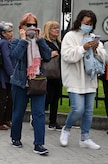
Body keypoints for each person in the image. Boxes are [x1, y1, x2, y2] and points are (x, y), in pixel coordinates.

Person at [60, 10, 106, 150]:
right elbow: (67, 56)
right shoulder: (70, 36)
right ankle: (66, 129)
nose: (88, 25)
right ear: (79, 21)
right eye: (86, 23)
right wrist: (82, 48)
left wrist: (97, 50)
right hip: (75, 79)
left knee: (88, 111)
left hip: (89, 79)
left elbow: (105, 58)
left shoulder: (93, 37)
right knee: (78, 108)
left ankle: (85, 138)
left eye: (91, 23)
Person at [10, 13, 54, 155]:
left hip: (38, 81)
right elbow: (15, 56)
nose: (32, 27)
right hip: (20, 83)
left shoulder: (40, 42)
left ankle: (39, 144)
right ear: (21, 27)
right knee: (18, 112)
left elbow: (47, 56)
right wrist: (24, 40)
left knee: (39, 113)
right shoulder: (16, 41)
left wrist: (40, 40)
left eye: (34, 24)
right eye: (28, 25)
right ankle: (15, 137)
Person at [0, 21, 14, 130]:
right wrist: (11, 73)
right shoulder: (4, 43)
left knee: (10, 98)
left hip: (3, 75)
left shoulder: (5, 41)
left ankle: (6, 118)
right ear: (3, 33)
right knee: (2, 99)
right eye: (9, 31)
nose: (12, 33)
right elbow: (6, 58)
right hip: (3, 76)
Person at [42, 21, 62, 131]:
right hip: (48, 74)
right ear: (48, 30)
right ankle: (37, 118)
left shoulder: (59, 42)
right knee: (48, 98)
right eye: (54, 28)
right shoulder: (44, 42)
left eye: (58, 28)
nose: (57, 30)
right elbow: (41, 56)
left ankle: (53, 122)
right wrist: (50, 54)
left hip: (58, 73)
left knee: (56, 98)